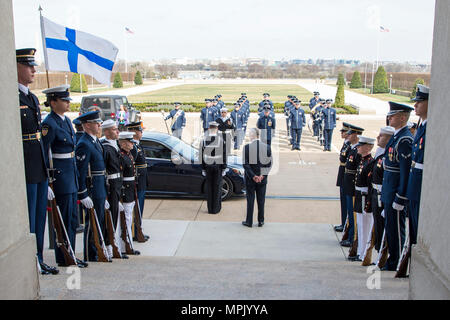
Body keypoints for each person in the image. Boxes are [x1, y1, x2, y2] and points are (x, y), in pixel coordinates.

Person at [17, 48, 58, 275]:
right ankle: (32, 260)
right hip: (26, 165)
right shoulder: (13, 97)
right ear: (16, 67)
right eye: (28, 65)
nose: (34, 70)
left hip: (39, 165)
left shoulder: (32, 97)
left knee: (40, 217)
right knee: (31, 218)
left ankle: (39, 258)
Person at [41, 85, 87, 268]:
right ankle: (64, 257)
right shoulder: (49, 123)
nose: (68, 103)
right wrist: (46, 181)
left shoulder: (66, 121)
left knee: (72, 219)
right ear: (53, 102)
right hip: (60, 178)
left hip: (71, 174)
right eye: (64, 100)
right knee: (64, 219)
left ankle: (71, 254)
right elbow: (44, 154)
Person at [380, 101, 414, 271]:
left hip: (395, 194)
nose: (389, 118)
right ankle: (393, 259)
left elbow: (405, 172)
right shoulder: (396, 136)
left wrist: (401, 197)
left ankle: (397, 261)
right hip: (389, 191)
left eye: (392, 116)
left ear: (402, 117)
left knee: (397, 231)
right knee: (391, 229)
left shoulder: (405, 139)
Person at [75, 110, 111, 262]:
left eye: (99, 122)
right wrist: (83, 194)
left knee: (100, 220)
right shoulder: (84, 143)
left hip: (100, 188)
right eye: (96, 123)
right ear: (87, 125)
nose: (99, 125)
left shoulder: (95, 141)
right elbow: (81, 172)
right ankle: (90, 253)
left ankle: (97, 249)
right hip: (92, 189)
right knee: (92, 222)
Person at [101, 120, 128, 259]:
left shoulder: (116, 145)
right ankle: (108, 246)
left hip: (117, 184)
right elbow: (104, 171)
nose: (117, 131)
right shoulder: (105, 147)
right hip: (110, 185)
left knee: (115, 217)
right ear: (106, 132)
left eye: (117, 129)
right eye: (113, 129)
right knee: (110, 218)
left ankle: (113, 244)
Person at [407, 84, 429, 245]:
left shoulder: (429, 127)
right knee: (413, 225)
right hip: (414, 179)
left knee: (418, 223)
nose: (415, 105)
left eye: (419, 102)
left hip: (421, 179)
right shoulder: (421, 125)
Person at [369, 126, 395, 253]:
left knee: (383, 226)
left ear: (390, 138)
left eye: (382, 136)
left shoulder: (387, 156)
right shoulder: (380, 153)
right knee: (378, 225)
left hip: (382, 195)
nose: (378, 137)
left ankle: (384, 253)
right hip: (376, 194)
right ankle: (379, 252)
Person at [350, 136, 375, 262]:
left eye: (361, 145)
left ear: (368, 147)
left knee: (366, 226)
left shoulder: (370, 162)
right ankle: (360, 251)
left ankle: (364, 253)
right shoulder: (363, 160)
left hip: (365, 197)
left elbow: (370, 185)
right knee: (360, 225)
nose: (358, 147)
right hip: (360, 195)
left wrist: (369, 202)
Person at [242, 128, 273, 228]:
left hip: (250, 179)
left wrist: (253, 176)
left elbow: (245, 164)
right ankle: (261, 221)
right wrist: (262, 176)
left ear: (252, 136)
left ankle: (249, 221)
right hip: (262, 179)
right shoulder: (267, 147)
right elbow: (269, 164)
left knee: (250, 200)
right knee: (261, 200)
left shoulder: (246, 147)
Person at [340, 124, 364, 248]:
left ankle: (353, 238)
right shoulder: (352, 148)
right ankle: (350, 236)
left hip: (353, 185)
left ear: (356, 135)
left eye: (350, 133)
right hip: (348, 183)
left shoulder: (357, 150)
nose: (348, 135)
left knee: (353, 214)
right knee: (350, 212)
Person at [116, 131, 141, 255]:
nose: (132, 144)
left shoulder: (128, 155)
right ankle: (125, 247)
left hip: (131, 189)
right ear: (124, 143)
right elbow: (120, 178)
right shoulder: (121, 156)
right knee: (125, 219)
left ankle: (128, 245)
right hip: (126, 190)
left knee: (129, 218)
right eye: (130, 142)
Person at [126, 121, 150, 241]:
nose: (142, 132)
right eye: (140, 130)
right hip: (137, 181)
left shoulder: (137, 145)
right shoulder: (133, 147)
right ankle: (136, 232)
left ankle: (138, 230)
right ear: (134, 132)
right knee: (137, 208)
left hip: (141, 181)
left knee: (140, 207)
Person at [200, 121, 227, 214]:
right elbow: (224, 155)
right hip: (218, 166)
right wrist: (224, 168)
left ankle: (210, 209)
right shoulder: (221, 140)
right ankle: (216, 209)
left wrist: (203, 168)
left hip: (208, 166)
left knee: (209, 188)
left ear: (208, 129)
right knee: (217, 187)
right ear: (217, 129)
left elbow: (201, 156)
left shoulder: (203, 140)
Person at [334, 122, 351, 232]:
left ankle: (346, 224)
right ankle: (344, 222)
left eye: (344, 131)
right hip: (343, 174)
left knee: (347, 203)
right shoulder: (346, 144)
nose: (342, 133)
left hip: (346, 175)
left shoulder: (350, 145)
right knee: (343, 202)